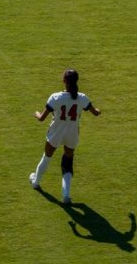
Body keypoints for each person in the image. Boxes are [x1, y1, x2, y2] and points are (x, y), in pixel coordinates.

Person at [30, 69, 101, 204]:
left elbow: (41, 118)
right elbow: (95, 112)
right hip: (72, 134)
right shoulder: (82, 98)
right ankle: (66, 195)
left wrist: (37, 113)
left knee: (47, 157)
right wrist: (99, 111)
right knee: (67, 163)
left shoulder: (55, 97)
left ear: (64, 81)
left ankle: (36, 182)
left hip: (56, 132)